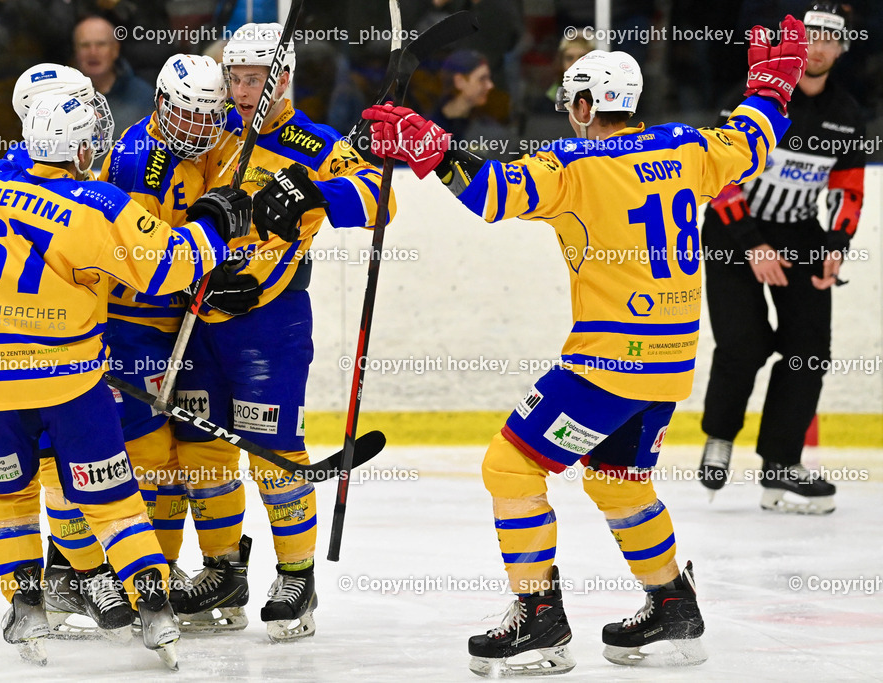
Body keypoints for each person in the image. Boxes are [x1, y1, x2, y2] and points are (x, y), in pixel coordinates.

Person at [363, 15, 805, 677]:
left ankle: (538, 615)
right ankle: (673, 605)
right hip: (672, 362)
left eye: (573, 102)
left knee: (509, 467)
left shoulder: (571, 164)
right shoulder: (688, 148)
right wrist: (772, 91)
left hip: (608, 364)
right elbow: (752, 136)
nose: (569, 115)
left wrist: (428, 146)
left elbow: (489, 194)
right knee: (618, 480)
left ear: (587, 104)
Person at [0, 90, 253, 668]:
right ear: (78, 146)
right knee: (112, 502)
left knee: (9, 497)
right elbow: (172, 264)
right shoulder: (98, 204)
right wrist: (213, 222)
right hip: (67, 381)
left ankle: (26, 602)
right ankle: (153, 606)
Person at [166, 22, 396, 642]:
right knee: (200, 449)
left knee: (272, 453)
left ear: (285, 77)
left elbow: (379, 197)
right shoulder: (211, 134)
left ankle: (297, 577)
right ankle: (222, 570)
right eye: (235, 78)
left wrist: (309, 190)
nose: (243, 90)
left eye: (256, 78)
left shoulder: (314, 141)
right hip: (199, 317)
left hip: (271, 322)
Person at [698, 3, 864, 515]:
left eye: (828, 39)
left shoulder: (848, 115)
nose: (816, 47)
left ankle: (781, 465)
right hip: (732, 234)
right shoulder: (757, 101)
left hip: (799, 231)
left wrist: (835, 246)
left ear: (841, 48)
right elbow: (719, 177)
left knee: (809, 347)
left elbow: (846, 187)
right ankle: (720, 436)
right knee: (745, 345)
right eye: (809, 36)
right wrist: (753, 244)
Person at [98, 53, 244, 629]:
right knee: (148, 457)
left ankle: (190, 571)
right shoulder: (139, 162)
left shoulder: (215, 137)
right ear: (161, 105)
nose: (194, 130)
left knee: (188, 456)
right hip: (133, 326)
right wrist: (207, 252)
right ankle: (139, 580)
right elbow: (147, 262)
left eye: (206, 119)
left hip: (179, 328)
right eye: (183, 117)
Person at [6, 62, 134, 638]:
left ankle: (83, 573)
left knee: (93, 464)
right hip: (39, 346)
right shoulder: (14, 170)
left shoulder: (77, 153)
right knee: (62, 465)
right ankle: (83, 574)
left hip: (88, 334)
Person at [72, 15, 153, 136]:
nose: (93, 52)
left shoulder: (143, 96)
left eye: (101, 44)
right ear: (75, 51)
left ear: (115, 49)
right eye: (85, 45)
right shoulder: (61, 98)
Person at [428, 50, 497, 154]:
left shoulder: (489, 129)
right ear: (459, 81)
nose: (490, 85)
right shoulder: (428, 130)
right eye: (482, 79)